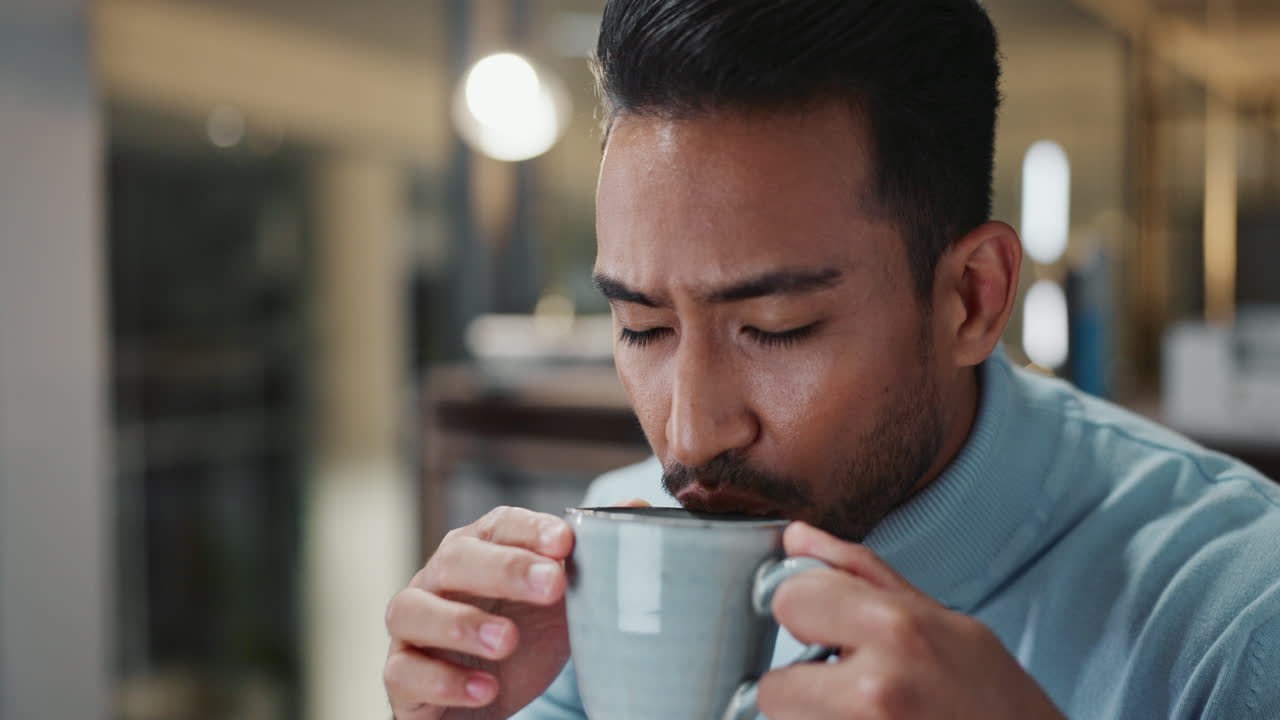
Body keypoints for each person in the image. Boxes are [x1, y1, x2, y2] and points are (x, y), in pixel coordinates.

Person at [384, 0, 1280, 718]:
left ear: (974, 298)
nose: (690, 434)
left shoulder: (1238, 616)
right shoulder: (593, 593)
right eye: (643, 328)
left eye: (775, 327)